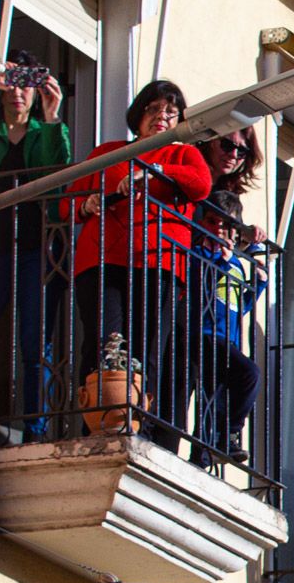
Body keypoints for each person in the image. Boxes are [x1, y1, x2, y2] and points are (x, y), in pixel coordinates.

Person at [63, 81, 212, 450]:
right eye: (154, 109)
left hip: (157, 263)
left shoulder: (184, 155)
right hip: (102, 259)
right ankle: (96, 425)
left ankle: (138, 427)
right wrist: (86, 206)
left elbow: (201, 186)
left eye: (171, 112)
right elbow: (68, 201)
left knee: (146, 349)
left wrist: (156, 170)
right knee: (102, 343)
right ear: (139, 116)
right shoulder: (109, 152)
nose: (162, 117)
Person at [0, 52, 70, 441]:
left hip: (38, 248)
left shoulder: (45, 131)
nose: (18, 91)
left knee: (35, 341)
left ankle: (35, 429)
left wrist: (53, 117)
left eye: (27, 82)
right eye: (11, 81)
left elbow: (59, 179)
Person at [188, 190, 268, 467]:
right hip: (206, 333)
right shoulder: (197, 253)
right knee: (249, 374)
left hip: (228, 337)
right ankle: (230, 433)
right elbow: (201, 290)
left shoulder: (234, 262)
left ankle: (202, 453)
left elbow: (239, 305)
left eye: (228, 224)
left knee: (214, 396)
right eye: (213, 221)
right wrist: (221, 260)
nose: (220, 229)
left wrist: (258, 283)